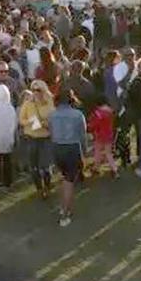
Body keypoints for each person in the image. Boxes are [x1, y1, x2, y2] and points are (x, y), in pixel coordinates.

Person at [49, 89, 87, 227]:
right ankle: (65, 213)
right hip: (71, 149)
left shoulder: (52, 115)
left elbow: (51, 133)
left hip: (57, 148)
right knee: (69, 182)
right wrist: (84, 153)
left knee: (65, 178)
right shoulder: (78, 115)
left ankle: (64, 207)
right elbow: (82, 137)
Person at [19, 80, 54, 199]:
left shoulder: (50, 103)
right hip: (31, 138)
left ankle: (48, 187)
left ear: (44, 90)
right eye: (33, 90)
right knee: (33, 167)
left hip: (45, 138)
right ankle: (39, 188)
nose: (35, 93)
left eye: (38, 90)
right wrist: (31, 122)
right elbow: (21, 120)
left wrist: (45, 123)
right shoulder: (28, 103)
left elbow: (54, 118)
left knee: (45, 167)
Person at [87, 95, 118, 177]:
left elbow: (94, 124)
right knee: (108, 153)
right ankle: (114, 169)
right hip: (109, 135)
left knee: (97, 152)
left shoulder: (97, 112)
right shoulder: (110, 111)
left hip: (99, 135)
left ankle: (96, 167)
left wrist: (89, 127)